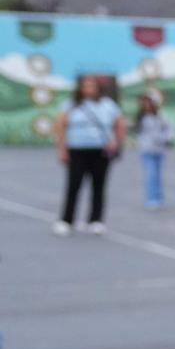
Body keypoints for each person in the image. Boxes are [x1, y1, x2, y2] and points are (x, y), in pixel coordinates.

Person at [52, 74, 126, 236]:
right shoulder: (71, 105)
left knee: (98, 185)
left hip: (100, 150)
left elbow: (120, 124)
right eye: (86, 86)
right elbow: (60, 126)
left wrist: (115, 141)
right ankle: (66, 219)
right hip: (77, 149)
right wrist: (62, 149)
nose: (89, 89)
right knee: (74, 185)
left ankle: (95, 220)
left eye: (92, 86)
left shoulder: (107, 105)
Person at [134, 92, 174, 211]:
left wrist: (164, 139)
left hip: (159, 149)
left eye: (148, 101)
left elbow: (170, 129)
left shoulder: (161, 116)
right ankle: (150, 198)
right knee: (150, 174)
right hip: (146, 149)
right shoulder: (141, 117)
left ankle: (158, 197)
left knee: (157, 175)